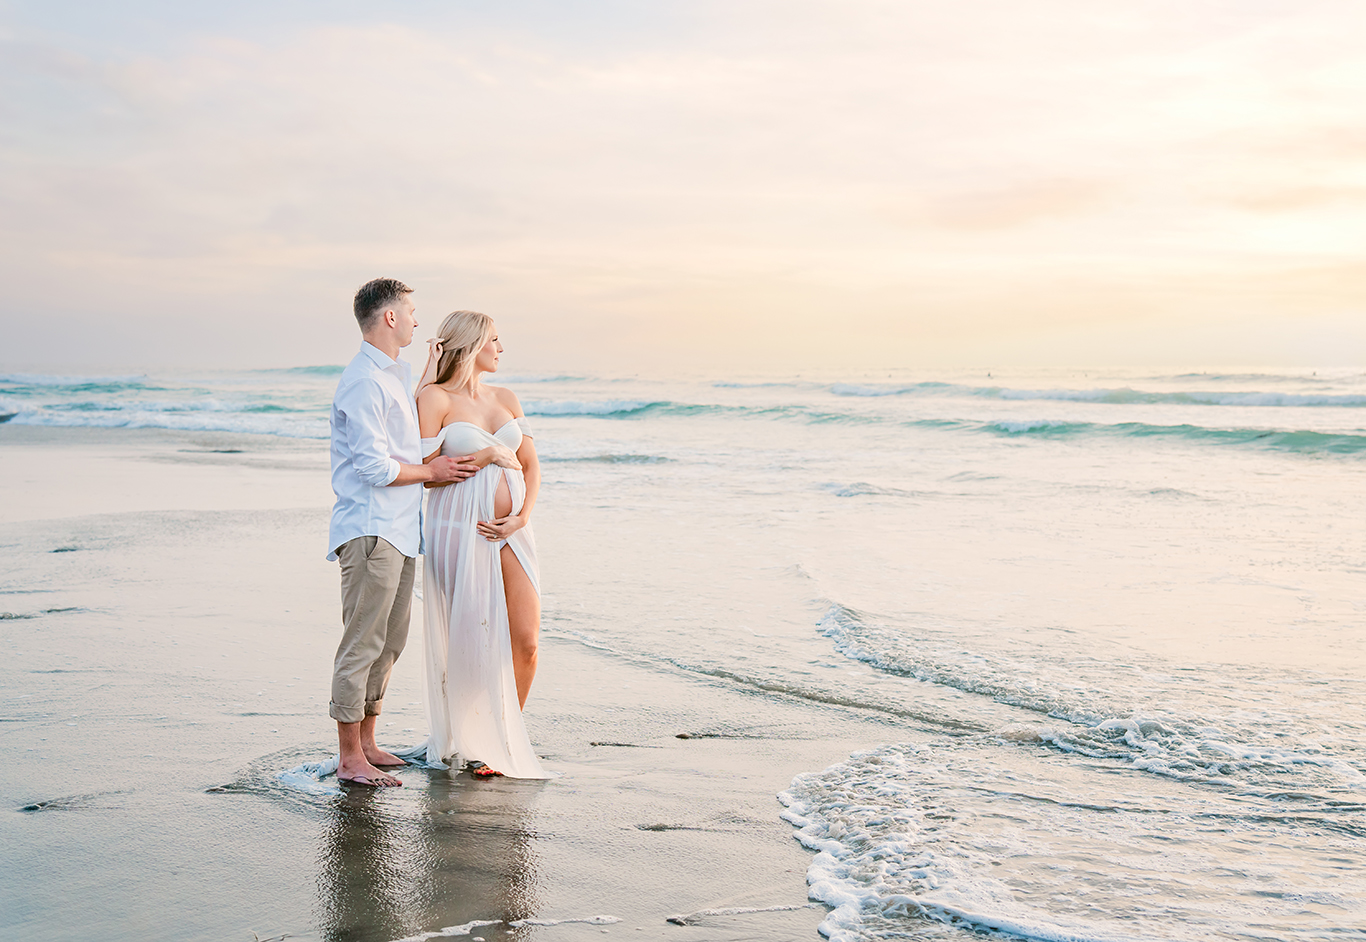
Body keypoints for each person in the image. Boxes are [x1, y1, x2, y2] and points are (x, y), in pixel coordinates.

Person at [327, 278, 483, 788]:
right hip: (371, 530)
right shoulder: (363, 381)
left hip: (399, 531)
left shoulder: (390, 376)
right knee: (362, 643)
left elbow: (405, 440)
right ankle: (350, 757)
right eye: (412, 311)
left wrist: (431, 374)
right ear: (390, 317)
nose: (418, 320)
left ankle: (368, 743)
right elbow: (374, 466)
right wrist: (433, 474)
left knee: (389, 642)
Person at [414, 310, 547, 779]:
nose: (501, 348)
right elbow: (425, 471)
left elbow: (529, 465)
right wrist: (489, 453)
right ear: (471, 345)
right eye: (494, 339)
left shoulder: (507, 397)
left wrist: (521, 517)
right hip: (458, 528)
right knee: (471, 638)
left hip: (513, 531)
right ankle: (470, 738)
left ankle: (502, 739)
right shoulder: (435, 399)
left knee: (526, 641)